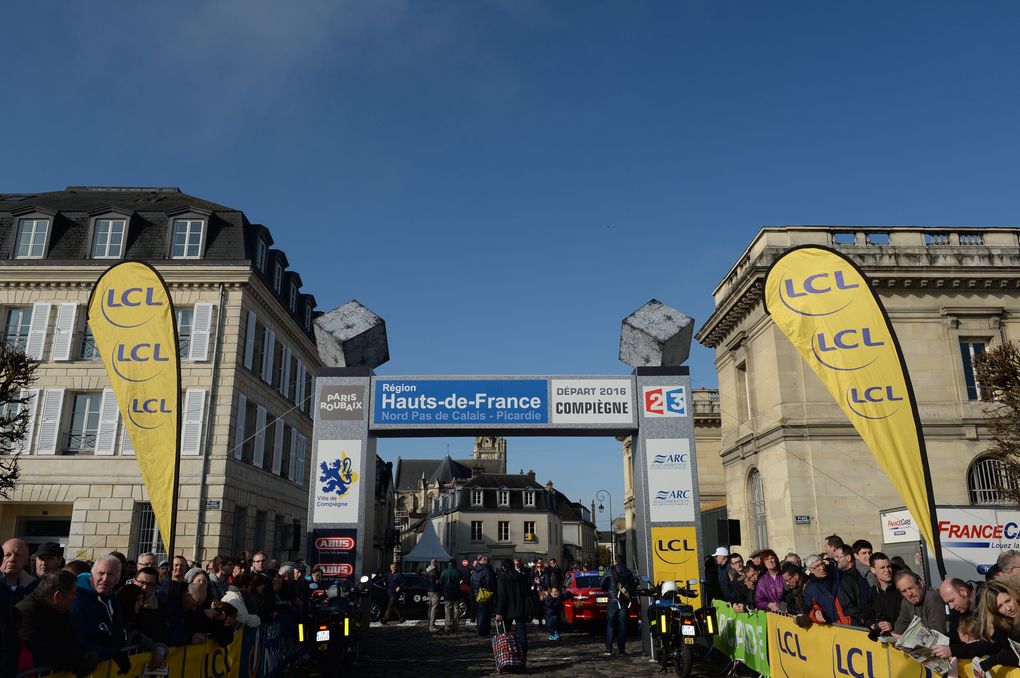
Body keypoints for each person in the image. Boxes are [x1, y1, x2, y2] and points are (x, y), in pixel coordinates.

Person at [16, 569, 98, 676]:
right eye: (73, 593)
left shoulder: (60, 610)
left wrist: (87, 654)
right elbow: (40, 652)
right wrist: (76, 659)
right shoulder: (26, 613)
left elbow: (71, 640)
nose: (75, 598)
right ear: (58, 596)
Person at [70, 555, 130, 673]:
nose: (105, 579)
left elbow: (118, 629)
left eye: (110, 574)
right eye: (101, 573)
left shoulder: (113, 599)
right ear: (92, 574)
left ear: (117, 579)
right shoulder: (77, 599)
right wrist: (111, 653)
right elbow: (78, 640)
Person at [972, 578, 1020, 677]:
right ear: (994, 611)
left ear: (1014, 595)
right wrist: (985, 665)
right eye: (1000, 606)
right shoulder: (1002, 626)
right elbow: (1011, 654)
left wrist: (988, 663)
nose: (1008, 608)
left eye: (1008, 600)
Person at [600, 555, 635, 657]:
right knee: (622, 625)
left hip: (612, 600)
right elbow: (633, 586)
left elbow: (602, 584)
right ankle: (621, 649)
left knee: (610, 624)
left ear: (615, 561)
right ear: (623, 561)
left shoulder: (610, 571)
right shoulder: (628, 572)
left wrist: (608, 590)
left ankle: (609, 649)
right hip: (624, 601)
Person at [893, 571, 947, 636]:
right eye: (904, 591)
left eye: (910, 588)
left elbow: (938, 633)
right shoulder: (906, 601)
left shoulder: (932, 598)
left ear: (921, 584)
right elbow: (902, 623)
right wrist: (896, 636)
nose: (909, 594)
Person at [495, 558, 529, 662]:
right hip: (520, 607)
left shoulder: (502, 578)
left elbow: (502, 596)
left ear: (503, 567)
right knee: (522, 633)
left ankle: (505, 655)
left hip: (507, 609)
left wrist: (499, 612)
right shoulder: (521, 577)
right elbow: (526, 593)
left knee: (504, 634)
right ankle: (523, 656)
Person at [862, 552, 901, 635]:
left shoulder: (901, 589)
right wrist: (872, 625)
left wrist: (892, 625)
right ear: (873, 570)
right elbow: (865, 616)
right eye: (882, 568)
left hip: (901, 636)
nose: (887, 570)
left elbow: (910, 616)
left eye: (889, 566)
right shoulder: (871, 593)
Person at [836, 544, 872, 625]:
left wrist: (862, 619)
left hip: (859, 622)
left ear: (848, 558)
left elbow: (849, 605)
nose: (836, 559)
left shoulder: (861, 575)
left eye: (839, 557)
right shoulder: (859, 573)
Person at [802, 554, 842, 623]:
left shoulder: (836, 575)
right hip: (830, 625)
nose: (822, 568)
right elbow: (809, 608)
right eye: (817, 566)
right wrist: (815, 613)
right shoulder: (809, 589)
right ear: (811, 570)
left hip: (847, 621)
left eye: (822, 564)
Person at [2, 538, 37, 604]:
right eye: (7, 555)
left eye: (18, 555)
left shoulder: (34, 587)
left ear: (27, 560)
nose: (12, 559)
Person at [471, 555, 496, 635]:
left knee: (479, 613)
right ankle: (483, 631)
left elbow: (472, 581)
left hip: (477, 593)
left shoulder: (476, 570)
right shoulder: (486, 570)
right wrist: (492, 591)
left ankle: (480, 629)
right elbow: (489, 582)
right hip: (485, 593)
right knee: (484, 613)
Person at [440, 560, 462, 633]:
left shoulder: (444, 572)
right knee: (456, 610)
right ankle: (455, 626)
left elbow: (441, 582)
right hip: (456, 593)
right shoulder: (458, 572)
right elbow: (462, 581)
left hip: (447, 593)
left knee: (448, 610)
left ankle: (448, 626)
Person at [425, 558, 442, 633]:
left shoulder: (428, 570)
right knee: (434, 608)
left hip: (429, 590)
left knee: (430, 608)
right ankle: (432, 626)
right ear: (435, 564)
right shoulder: (435, 572)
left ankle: (429, 624)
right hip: (435, 591)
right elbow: (437, 582)